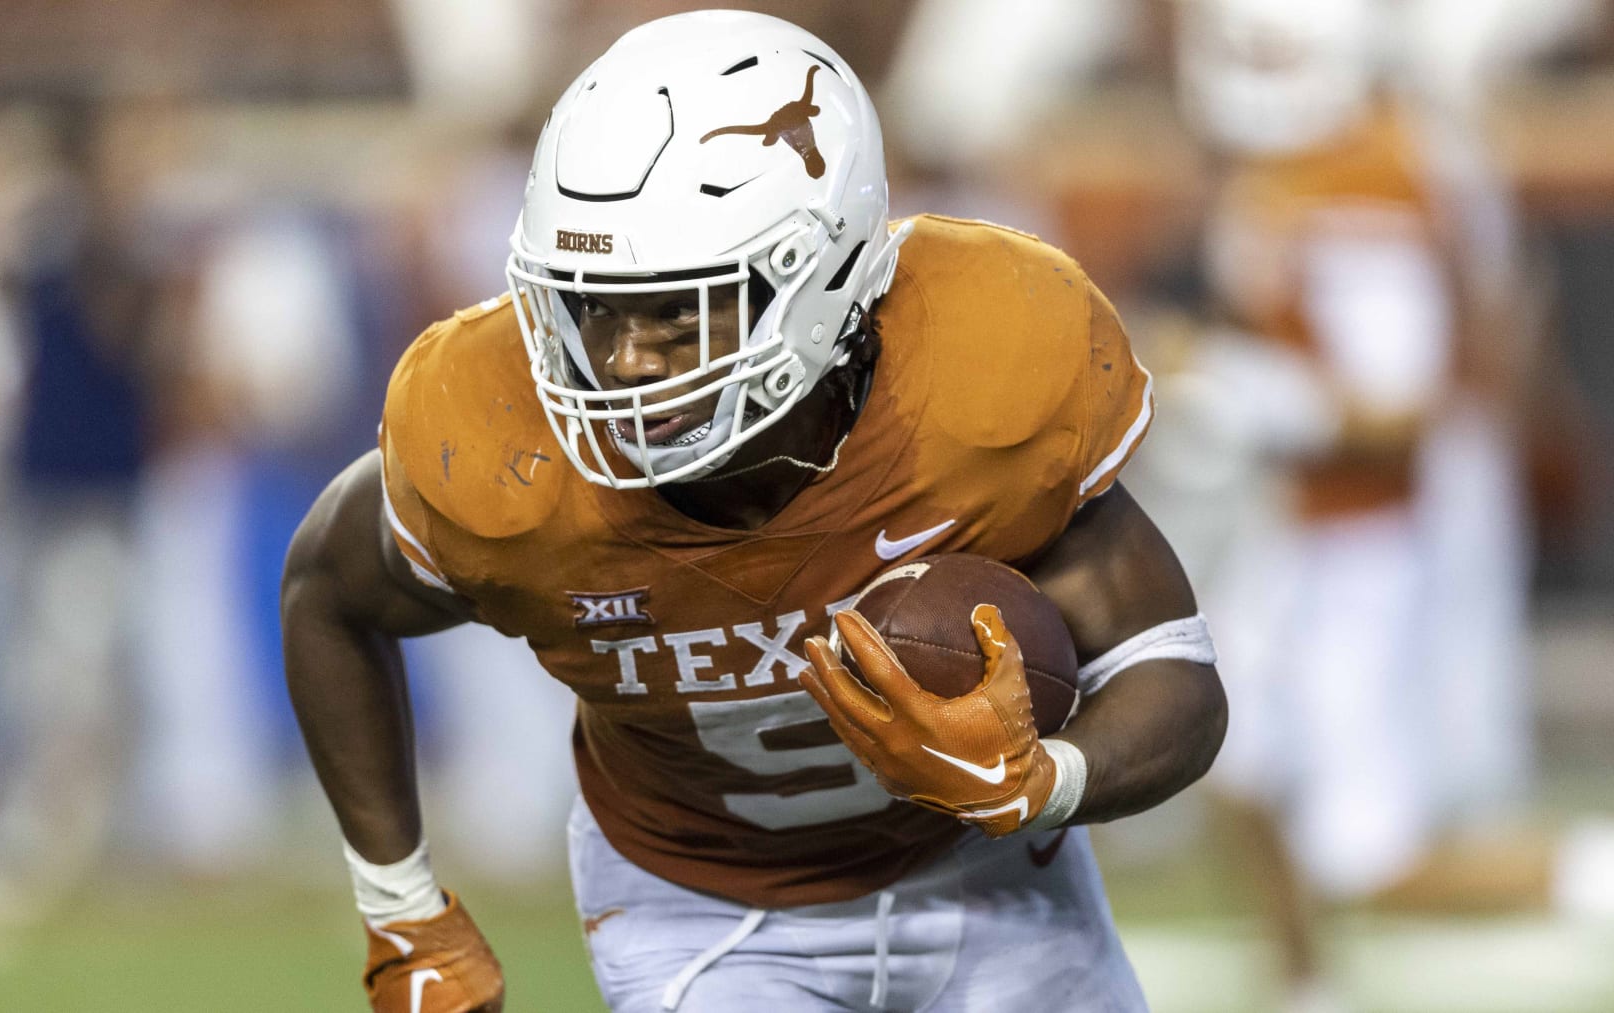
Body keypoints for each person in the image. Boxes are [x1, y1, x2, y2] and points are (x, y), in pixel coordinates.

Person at [281, 11, 1225, 1011]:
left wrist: (1043, 781)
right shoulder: (497, 442)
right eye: (592, 307)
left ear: (820, 279)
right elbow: (327, 592)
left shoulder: (982, 375)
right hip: (699, 907)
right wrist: (404, 909)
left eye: (680, 310)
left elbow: (1172, 669)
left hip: (992, 884)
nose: (627, 361)